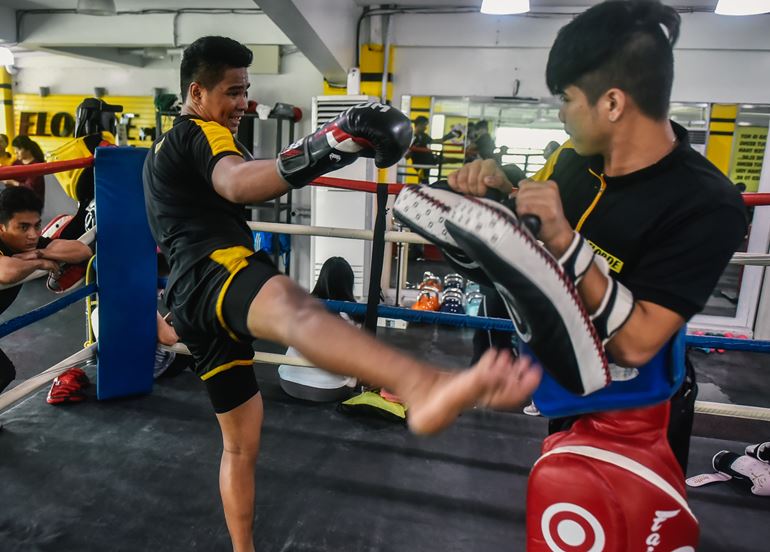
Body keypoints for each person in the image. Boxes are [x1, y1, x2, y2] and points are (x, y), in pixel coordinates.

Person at [142, 36, 540, 552]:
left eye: (246, 91)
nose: (243, 103)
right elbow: (239, 184)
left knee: (240, 448)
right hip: (213, 270)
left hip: (190, 301)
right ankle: (421, 384)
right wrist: (329, 142)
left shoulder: (161, 149)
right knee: (294, 309)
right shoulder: (202, 132)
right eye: (233, 91)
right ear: (196, 92)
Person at [446, 1, 746, 548]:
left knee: (630, 534)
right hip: (566, 387)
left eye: (566, 99)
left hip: (640, 412)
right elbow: (526, 244)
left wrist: (564, 240)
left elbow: (636, 341)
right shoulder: (570, 161)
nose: (560, 112)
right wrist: (495, 196)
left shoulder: (706, 203)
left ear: (611, 102)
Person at [0, 187, 93, 393]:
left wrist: (39, 253)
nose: (33, 235)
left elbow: (82, 250)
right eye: (23, 227)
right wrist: (40, 263)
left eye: (37, 225)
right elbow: (6, 272)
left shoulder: (31, 245)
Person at [5, 136, 46, 204]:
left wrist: (13, 183)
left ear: (28, 149)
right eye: (14, 149)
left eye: (18, 149)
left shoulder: (36, 166)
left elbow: (30, 188)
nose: (15, 152)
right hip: (16, 198)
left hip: (31, 202)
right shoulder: (16, 163)